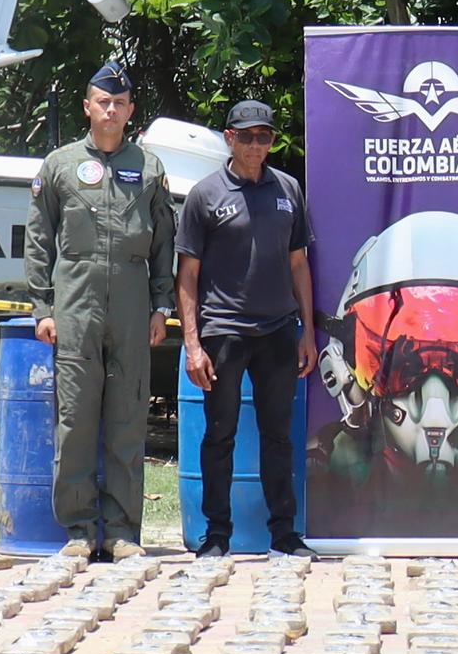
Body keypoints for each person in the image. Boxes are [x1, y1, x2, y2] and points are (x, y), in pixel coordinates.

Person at [23, 55, 172, 560]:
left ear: (131, 111)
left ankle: (123, 530)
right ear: (88, 106)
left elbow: (163, 245)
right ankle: (80, 529)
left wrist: (160, 304)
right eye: (103, 102)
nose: (111, 110)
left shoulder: (148, 167)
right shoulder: (59, 165)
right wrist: (43, 306)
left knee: (129, 415)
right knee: (76, 417)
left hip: (131, 302)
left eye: (120, 103)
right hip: (77, 302)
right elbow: (40, 239)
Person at [174, 99, 316, 556]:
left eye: (265, 136)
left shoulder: (289, 190)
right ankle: (216, 536)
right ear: (229, 138)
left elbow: (300, 265)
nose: (256, 144)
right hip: (223, 332)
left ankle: (284, 535)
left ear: (273, 140)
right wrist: (193, 344)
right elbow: (187, 277)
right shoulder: (205, 195)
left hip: (278, 331)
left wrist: (308, 332)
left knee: (278, 436)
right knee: (220, 435)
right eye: (247, 136)